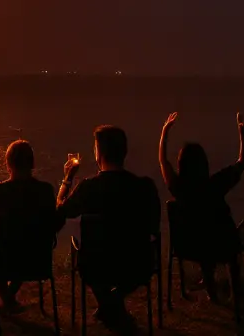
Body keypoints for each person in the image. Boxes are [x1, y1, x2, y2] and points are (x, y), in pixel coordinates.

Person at [58, 126, 160, 334]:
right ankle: (114, 306)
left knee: (89, 248)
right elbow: (153, 228)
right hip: (137, 266)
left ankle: (109, 306)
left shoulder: (88, 188)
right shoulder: (144, 187)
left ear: (99, 152)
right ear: (124, 151)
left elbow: (59, 211)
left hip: (96, 269)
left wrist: (67, 178)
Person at [159, 111, 244, 303]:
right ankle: (236, 290)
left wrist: (165, 131)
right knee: (222, 233)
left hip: (190, 246)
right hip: (221, 245)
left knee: (203, 236)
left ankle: (211, 290)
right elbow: (243, 162)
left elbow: (163, 162)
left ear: (181, 165)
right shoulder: (216, 184)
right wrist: (241, 130)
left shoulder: (179, 188)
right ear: (204, 164)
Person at [0, 140, 56, 312]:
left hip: (6, 261)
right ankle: (9, 298)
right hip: (38, 261)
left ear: (8, 164)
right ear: (33, 163)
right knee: (22, 241)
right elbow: (54, 223)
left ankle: (7, 299)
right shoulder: (46, 191)